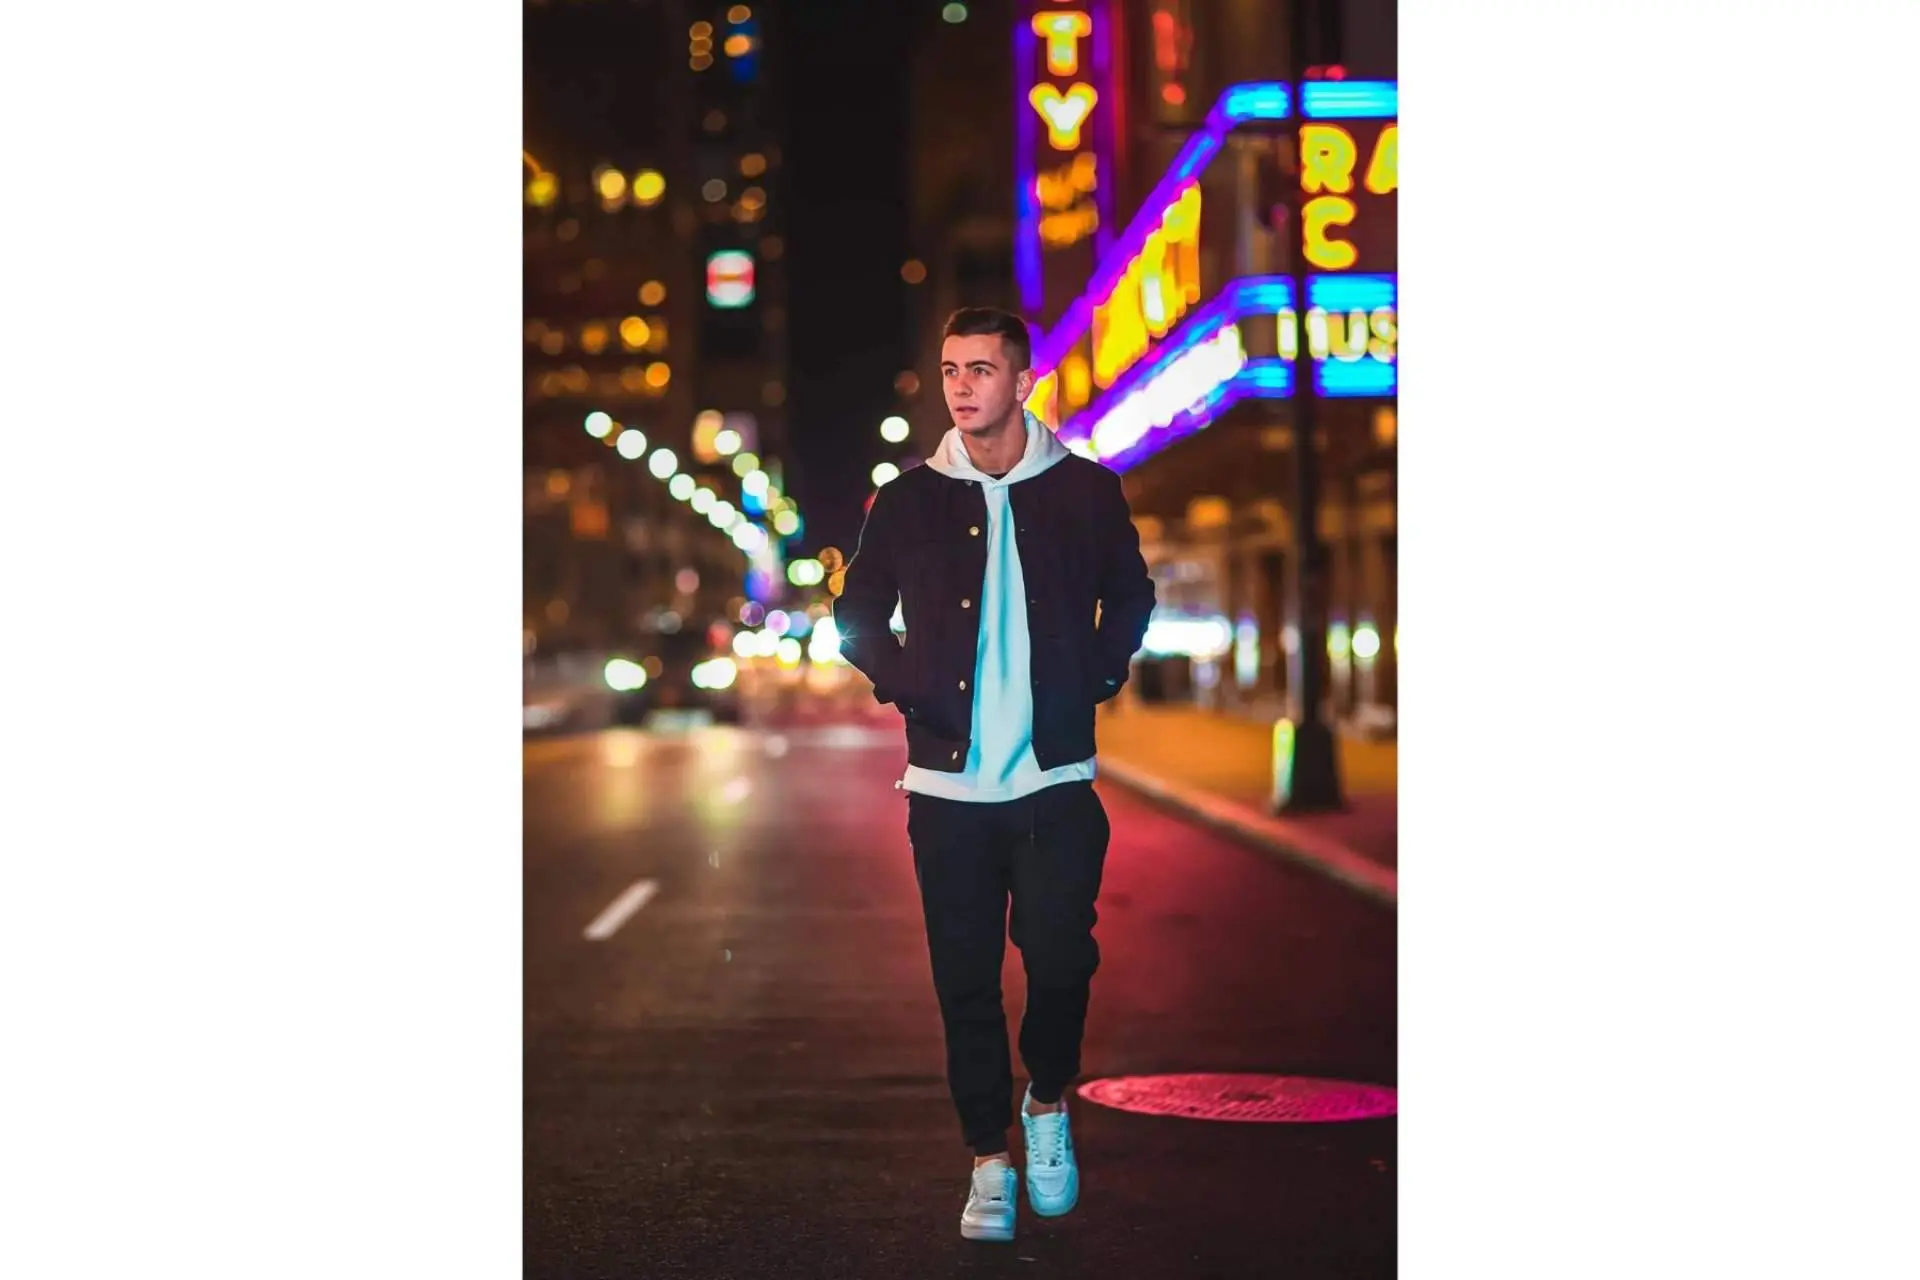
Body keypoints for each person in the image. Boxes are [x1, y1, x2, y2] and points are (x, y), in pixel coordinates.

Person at [833, 306, 1157, 1241]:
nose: (962, 386)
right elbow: (857, 616)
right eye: (950, 370)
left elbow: (1131, 596)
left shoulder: (1086, 490)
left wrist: (1098, 674)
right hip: (949, 795)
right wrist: (911, 689)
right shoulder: (907, 502)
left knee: (1061, 960)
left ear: (1023, 381)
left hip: (1055, 782)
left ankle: (1046, 1100)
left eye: (981, 368)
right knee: (965, 982)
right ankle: (987, 1160)